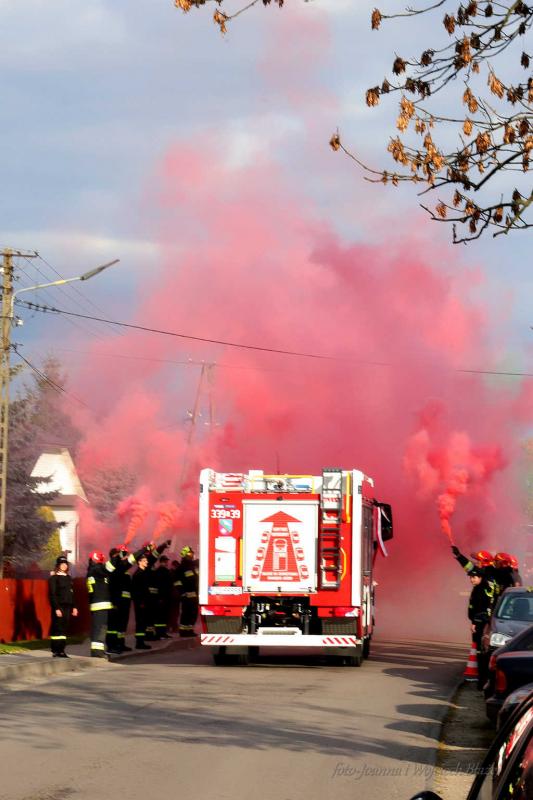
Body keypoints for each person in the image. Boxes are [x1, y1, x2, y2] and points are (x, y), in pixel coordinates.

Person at [467, 567, 494, 690]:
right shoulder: (485, 586)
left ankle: (482, 682)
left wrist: (474, 622)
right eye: (470, 577)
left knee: (480, 653)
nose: (471, 579)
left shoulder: (480, 589)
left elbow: (480, 608)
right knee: (482, 653)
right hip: (483, 622)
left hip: (480, 623)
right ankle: (483, 680)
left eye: (474, 577)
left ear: (480, 577)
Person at [86, 551, 115, 658]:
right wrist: (117, 557)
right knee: (100, 628)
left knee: (99, 628)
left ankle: (98, 651)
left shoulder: (92, 571)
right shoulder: (96, 570)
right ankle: (97, 652)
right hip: (100, 604)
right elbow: (108, 568)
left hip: (97, 604)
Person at [48, 555, 78, 657]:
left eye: (65, 564)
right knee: (57, 628)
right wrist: (56, 608)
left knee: (64, 628)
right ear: (58, 565)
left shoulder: (69, 578)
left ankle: (61, 650)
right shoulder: (54, 578)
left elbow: (72, 593)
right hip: (59, 606)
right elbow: (52, 594)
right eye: (62, 564)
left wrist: (74, 607)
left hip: (68, 606)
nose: (64, 565)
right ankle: (56, 650)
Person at [174, 545, 199, 637]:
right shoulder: (181, 567)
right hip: (186, 595)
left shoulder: (193, 566)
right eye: (189, 553)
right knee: (186, 614)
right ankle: (183, 631)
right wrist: (182, 592)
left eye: (192, 553)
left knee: (193, 613)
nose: (191, 555)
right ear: (185, 555)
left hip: (194, 595)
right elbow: (176, 581)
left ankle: (189, 630)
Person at [153, 555, 173, 639]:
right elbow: (160, 585)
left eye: (167, 561)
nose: (167, 563)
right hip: (162, 597)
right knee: (160, 616)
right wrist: (160, 597)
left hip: (166, 597)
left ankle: (163, 632)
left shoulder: (163, 571)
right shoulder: (161, 571)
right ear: (162, 562)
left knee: (164, 616)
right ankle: (159, 633)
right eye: (166, 561)